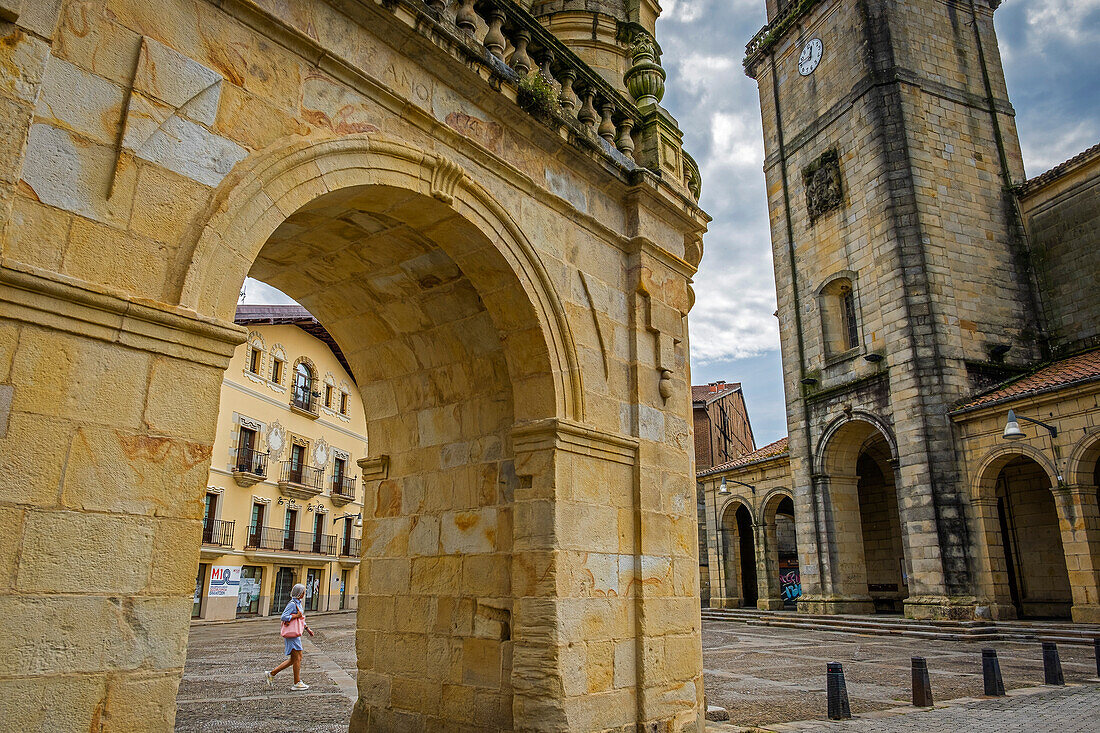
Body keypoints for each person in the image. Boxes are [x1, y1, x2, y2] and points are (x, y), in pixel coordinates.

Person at [264, 583, 313, 690]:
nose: (304, 594)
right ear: (299, 593)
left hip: (296, 633)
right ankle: (297, 682)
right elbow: (284, 616)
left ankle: (272, 673)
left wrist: (307, 628)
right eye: (303, 592)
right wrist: (296, 616)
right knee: (297, 658)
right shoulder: (292, 604)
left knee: (296, 658)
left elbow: (301, 618)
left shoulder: (298, 603)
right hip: (291, 634)